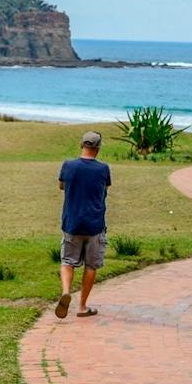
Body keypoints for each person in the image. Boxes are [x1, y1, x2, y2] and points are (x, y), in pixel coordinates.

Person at [55, 130, 111, 318]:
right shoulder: (103, 169)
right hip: (94, 224)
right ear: (98, 148)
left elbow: (61, 186)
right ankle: (82, 306)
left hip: (72, 222)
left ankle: (65, 291)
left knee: (67, 261)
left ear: (82, 145)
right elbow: (105, 188)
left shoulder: (68, 166)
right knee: (91, 266)